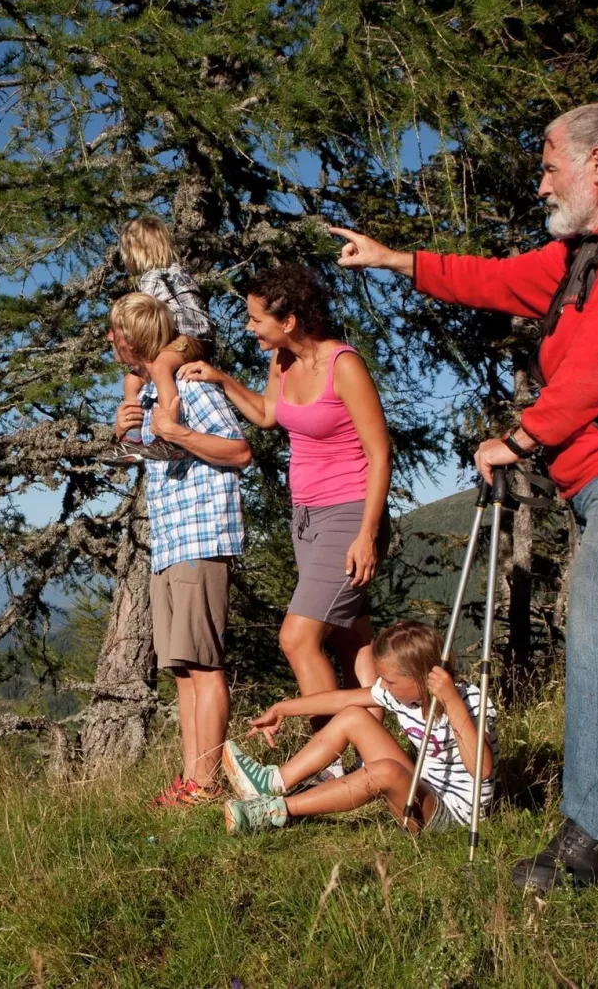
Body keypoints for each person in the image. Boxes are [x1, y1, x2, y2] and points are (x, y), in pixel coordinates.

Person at [330, 100, 598, 890]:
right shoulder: (592, 249)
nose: (540, 178)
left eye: (550, 162)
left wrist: (522, 436)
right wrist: (394, 259)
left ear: (597, 164)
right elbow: (498, 280)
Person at [179, 265, 392, 773]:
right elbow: (270, 416)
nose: (250, 328)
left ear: (291, 319)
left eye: (256, 319)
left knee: (297, 637)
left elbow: (380, 453)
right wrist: (224, 379)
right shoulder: (282, 359)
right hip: (307, 519)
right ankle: (387, 754)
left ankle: (333, 758)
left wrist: (367, 534)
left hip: (350, 514)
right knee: (350, 637)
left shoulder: (344, 365)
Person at [108, 291, 251, 807]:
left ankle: (206, 784)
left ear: (135, 338)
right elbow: (163, 454)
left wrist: (177, 431)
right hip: (170, 541)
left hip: (202, 535)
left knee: (204, 666)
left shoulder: (189, 386)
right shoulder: (149, 395)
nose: (109, 340)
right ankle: (193, 781)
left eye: (115, 332)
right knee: (184, 667)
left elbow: (240, 450)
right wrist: (128, 440)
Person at [219, 620, 495, 836]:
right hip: (420, 789)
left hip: (453, 818)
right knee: (353, 715)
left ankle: (274, 811)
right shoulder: (401, 693)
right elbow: (340, 700)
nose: (383, 686)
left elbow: (481, 770)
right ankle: (272, 784)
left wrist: (450, 701)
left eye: (390, 680)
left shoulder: (469, 700)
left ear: (422, 677)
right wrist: (281, 709)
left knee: (385, 771)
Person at [116, 215, 216, 460]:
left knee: (160, 366)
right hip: (183, 338)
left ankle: (171, 434)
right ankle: (132, 435)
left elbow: (153, 322)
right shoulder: (177, 273)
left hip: (191, 337)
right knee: (132, 378)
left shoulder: (153, 280)